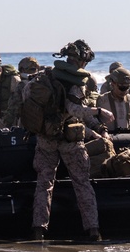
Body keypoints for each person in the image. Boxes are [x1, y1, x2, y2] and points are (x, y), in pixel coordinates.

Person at [31, 39, 111, 241]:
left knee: (44, 184)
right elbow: (76, 110)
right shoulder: (75, 82)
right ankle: (93, 230)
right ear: (81, 60)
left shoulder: (44, 77)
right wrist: (100, 112)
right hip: (69, 140)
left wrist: (96, 127)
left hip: (45, 137)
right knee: (82, 184)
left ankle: (39, 230)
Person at [96, 67, 130, 131]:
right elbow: (95, 121)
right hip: (108, 136)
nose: (124, 91)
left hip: (125, 136)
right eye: (121, 88)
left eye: (127, 87)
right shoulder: (103, 100)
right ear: (113, 84)